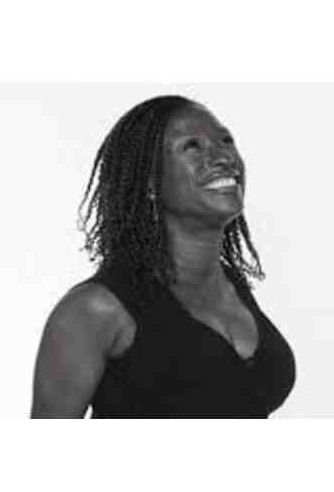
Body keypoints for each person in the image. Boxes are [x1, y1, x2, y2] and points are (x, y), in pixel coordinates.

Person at [30, 95, 296, 418]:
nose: (223, 156)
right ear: (149, 182)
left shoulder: (232, 285)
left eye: (226, 141)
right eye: (192, 146)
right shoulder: (95, 310)